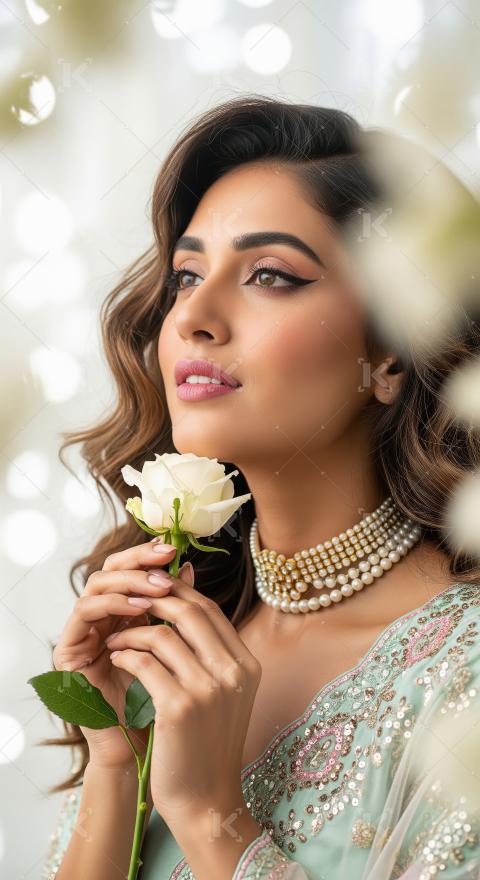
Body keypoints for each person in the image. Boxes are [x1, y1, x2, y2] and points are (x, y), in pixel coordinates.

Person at [41, 95, 480, 879]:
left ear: (391, 352)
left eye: (270, 275)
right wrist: (115, 763)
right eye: (186, 276)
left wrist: (211, 816)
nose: (194, 318)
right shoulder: (175, 639)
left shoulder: (462, 675)